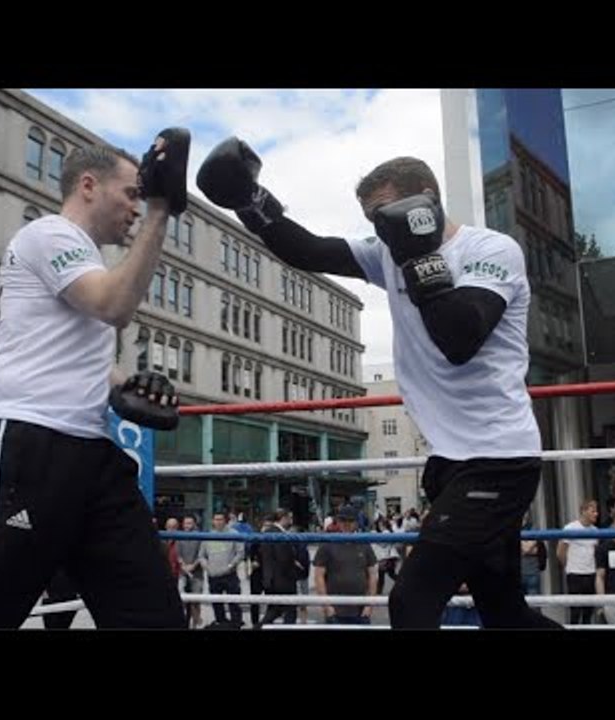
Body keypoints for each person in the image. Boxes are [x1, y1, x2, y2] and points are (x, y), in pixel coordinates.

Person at [197, 139, 559, 629]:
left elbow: (461, 336)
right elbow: (308, 249)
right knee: (505, 612)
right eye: (372, 221)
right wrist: (250, 200)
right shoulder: (386, 253)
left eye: (386, 214)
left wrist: (418, 258)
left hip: (498, 460)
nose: (380, 230)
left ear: (426, 199)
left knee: (411, 602)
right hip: (451, 461)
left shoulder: (489, 250)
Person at [0, 131, 191, 629]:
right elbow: (113, 306)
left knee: (154, 616)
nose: (137, 207)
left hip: (91, 454)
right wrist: (161, 211)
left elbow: (80, 346)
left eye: (142, 197)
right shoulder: (48, 234)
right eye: (132, 193)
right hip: (28, 442)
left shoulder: (84, 257)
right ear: (88, 185)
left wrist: (127, 386)